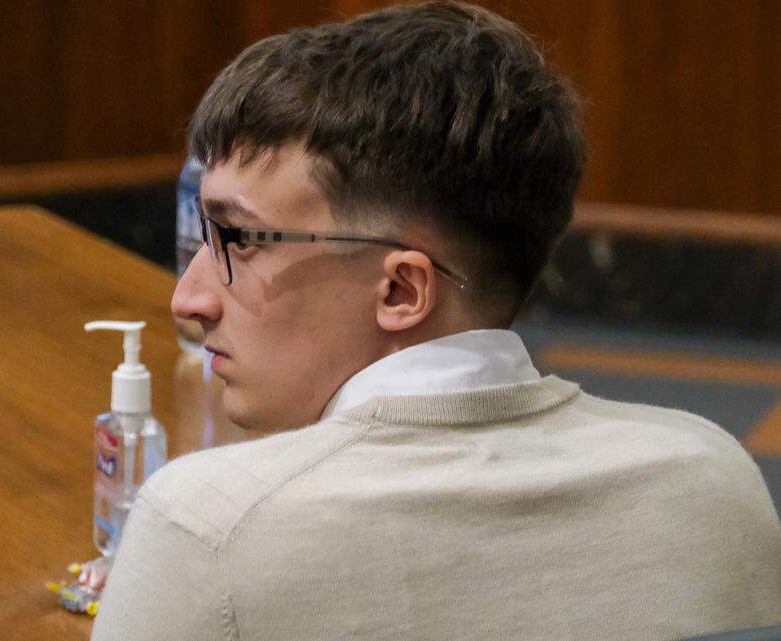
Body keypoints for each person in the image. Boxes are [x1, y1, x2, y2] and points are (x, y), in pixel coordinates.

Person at [91, 2, 781, 639]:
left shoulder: (206, 528)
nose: (189, 297)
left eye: (238, 240)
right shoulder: (715, 482)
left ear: (401, 290)